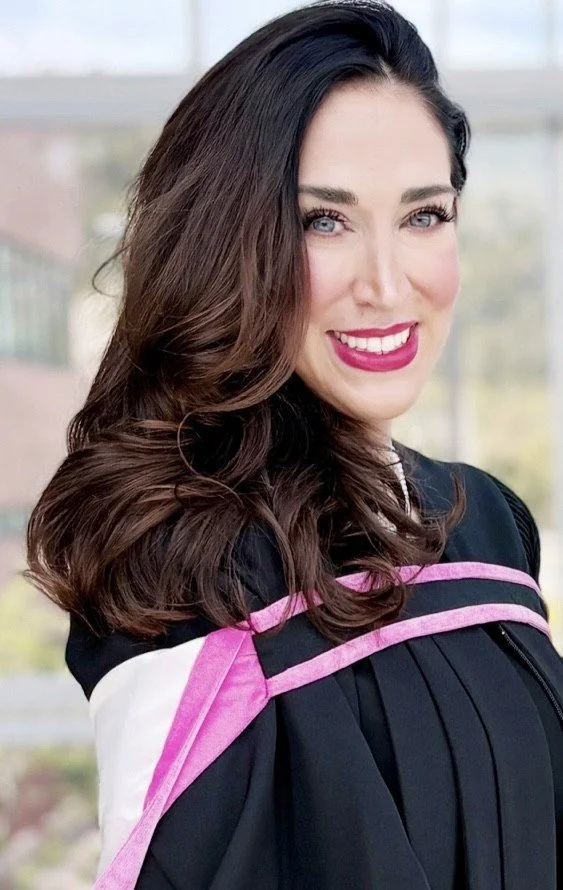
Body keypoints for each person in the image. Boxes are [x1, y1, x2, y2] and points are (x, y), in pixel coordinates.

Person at [25, 1, 562, 887]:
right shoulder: (183, 566)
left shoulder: (487, 524)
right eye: (324, 221)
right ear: (231, 244)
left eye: (424, 215)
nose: (386, 284)